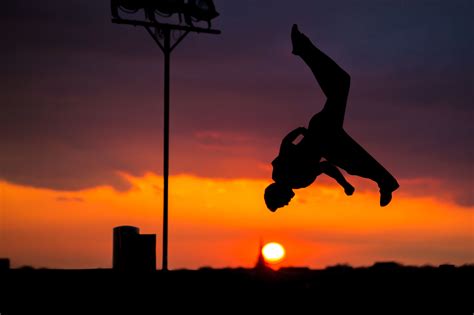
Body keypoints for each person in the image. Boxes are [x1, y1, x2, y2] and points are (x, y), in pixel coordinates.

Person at [265, 24, 399, 212]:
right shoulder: (291, 178)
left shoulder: (285, 174)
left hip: (322, 133)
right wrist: (344, 184)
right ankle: (386, 183)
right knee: (354, 161)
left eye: (282, 203)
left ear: (277, 195)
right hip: (324, 139)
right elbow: (323, 165)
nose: (287, 203)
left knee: (342, 84)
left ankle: (303, 48)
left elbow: (288, 145)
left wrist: (302, 132)